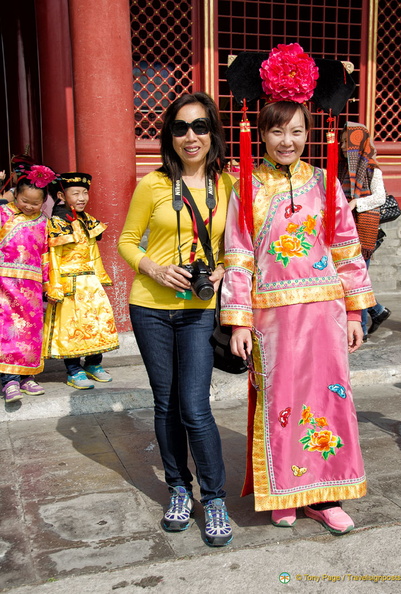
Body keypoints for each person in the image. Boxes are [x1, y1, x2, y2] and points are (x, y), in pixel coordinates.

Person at [221, 43, 376, 535]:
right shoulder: (246, 184)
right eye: (276, 130)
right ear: (260, 133)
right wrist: (238, 320)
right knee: (282, 403)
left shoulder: (326, 184)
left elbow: (348, 249)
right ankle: (285, 492)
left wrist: (354, 313)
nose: (286, 140)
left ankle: (326, 496)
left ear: (310, 133)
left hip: (325, 314)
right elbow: (239, 257)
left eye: (295, 131)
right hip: (273, 320)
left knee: (330, 400)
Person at [118, 92, 234, 547]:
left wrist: (223, 269)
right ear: (170, 134)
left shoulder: (228, 185)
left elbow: (235, 246)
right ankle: (179, 489)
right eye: (181, 127)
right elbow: (128, 241)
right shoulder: (152, 184)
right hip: (150, 306)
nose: (191, 136)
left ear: (212, 133)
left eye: (200, 126)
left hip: (199, 311)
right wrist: (155, 267)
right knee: (165, 403)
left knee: (195, 405)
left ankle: (216, 496)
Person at [43, 172, 119, 389]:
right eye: (75, 193)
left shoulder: (86, 219)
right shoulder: (57, 222)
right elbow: (54, 258)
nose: (82, 197)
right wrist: (55, 285)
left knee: (97, 322)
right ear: (61, 195)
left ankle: (94, 364)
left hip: (90, 282)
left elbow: (94, 251)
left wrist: (98, 275)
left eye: (85, 192)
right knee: (71, 327)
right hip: (68, 281)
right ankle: (74, 369)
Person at [0, 164, 56, 402]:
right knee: (7, 330)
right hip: (4, 282)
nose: (29, 206)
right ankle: (8, 380)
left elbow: (46, 255)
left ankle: (28, 375)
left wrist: (48, 284)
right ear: (16, 194)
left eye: (35, 203)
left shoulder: (44, 222)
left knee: (31, 332)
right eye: (25, 200)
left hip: (31, 287)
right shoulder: (3, 214)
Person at [338, 122, 391, 339]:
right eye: (341, 142)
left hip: (363, 231)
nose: (342, 146)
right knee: (351, 278)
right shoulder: (344, 169)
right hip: (345, 230)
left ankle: (362, 328)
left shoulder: (371, 168)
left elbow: (380, 197)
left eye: (345, 142)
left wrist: (355, 204)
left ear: (356, 143)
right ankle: (377, 311)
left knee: (357, 278)